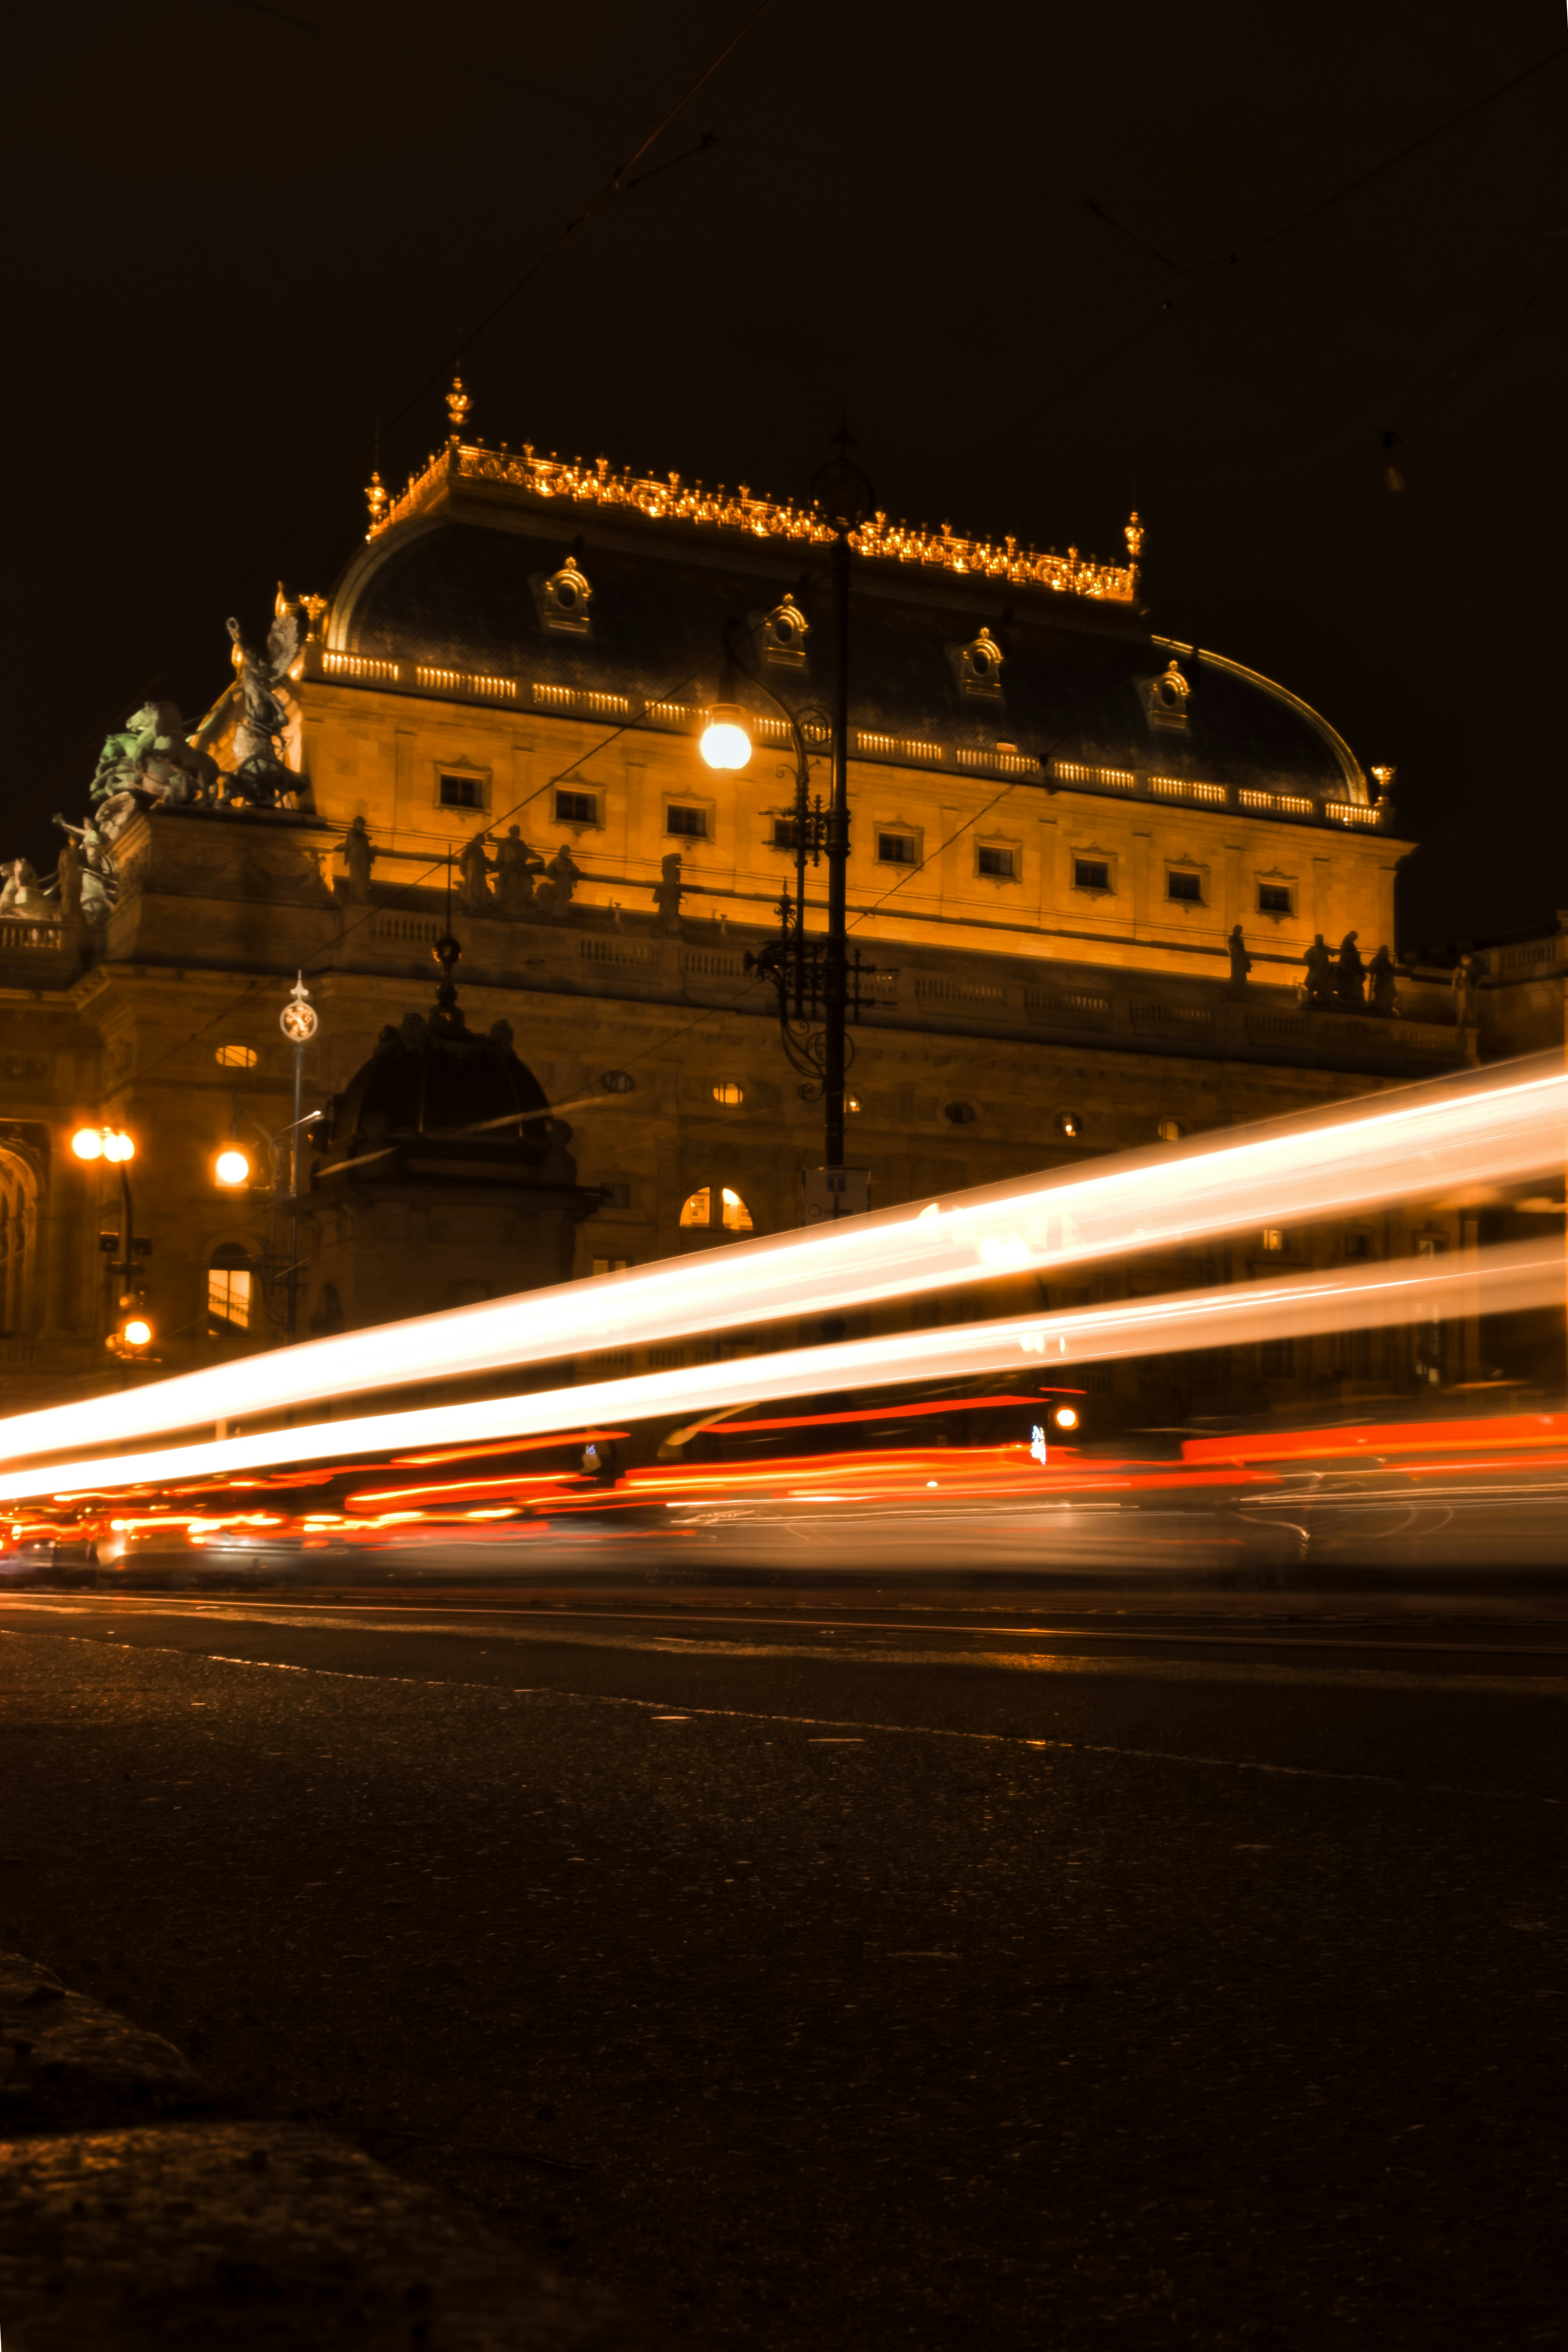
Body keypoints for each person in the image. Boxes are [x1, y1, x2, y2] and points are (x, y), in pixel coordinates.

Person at [1334, 930, 1366, 1007]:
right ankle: (1351, 997)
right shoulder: (1347, 943)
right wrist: (1356, 955)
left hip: (1350, 967)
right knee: (1355, 979)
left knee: (1356, 980)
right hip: (1348, 967)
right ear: (1351, 936)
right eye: (1354, 938)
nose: (1355, 940)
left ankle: (1352, 997)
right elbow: (1347, 954)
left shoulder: (1348, 943)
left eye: (1355, 938)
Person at [1303, 933, 1334, 1005]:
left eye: (1321, 940)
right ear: (1316, 941)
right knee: (1311, 985)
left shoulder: (1325, 948)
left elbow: (1333, 953)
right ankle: (1311, 1000)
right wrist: (1311, 965)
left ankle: (1320, 1000)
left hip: (1324, 972)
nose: (1320, 942)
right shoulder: (1312, 950)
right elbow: (1306, 957)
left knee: (1323, 987)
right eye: (1318, 940)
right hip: (1316, 971)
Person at [1367, 944, 1398, 1017]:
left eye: (1386, 952)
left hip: (1386, 981)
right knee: (1381, 993)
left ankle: (1385, 1006)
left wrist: (1393, 969)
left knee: (1386, 993)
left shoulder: (1386, 961)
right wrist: (1372, 976)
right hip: (1380, 980)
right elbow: (1372, 968)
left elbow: (1390, 968)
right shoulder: (1377, 959)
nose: (1385, 953)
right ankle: (1380, 1006)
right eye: (1384, 951)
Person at [1227, 923, 1252, 989]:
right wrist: (1239, 943)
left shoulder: (1239, 938)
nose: (1240, 932)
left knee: (1241, 972)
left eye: (1240, 931)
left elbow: (1242, 949)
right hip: (1236, 958)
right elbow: (1232, 945)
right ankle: (1236, 983)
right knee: (1236, 971)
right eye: (1239, 931)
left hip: (1241, 958)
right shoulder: (1232, 938)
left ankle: (1241, 983)